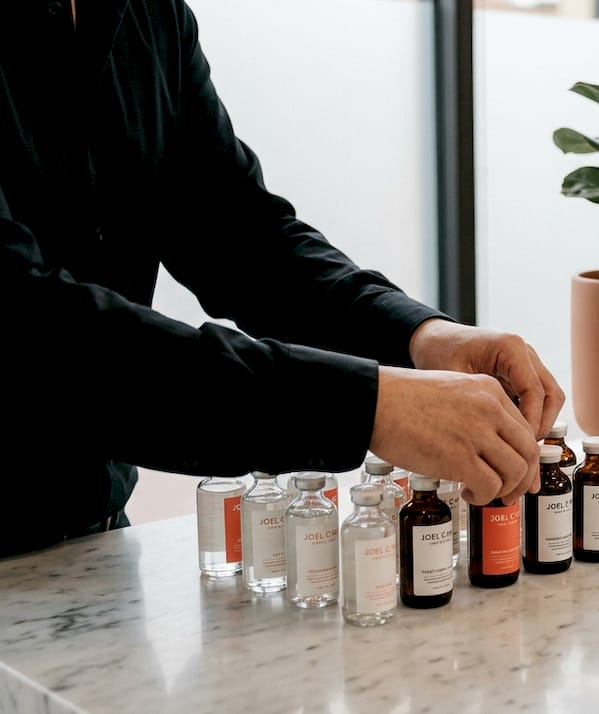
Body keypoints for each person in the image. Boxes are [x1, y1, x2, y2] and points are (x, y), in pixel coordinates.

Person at [0, 0, 564, 557]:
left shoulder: (150, 13)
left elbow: (242, 237)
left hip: (95, 546)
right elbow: (34, 331)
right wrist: (370, 406)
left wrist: (421, 337)